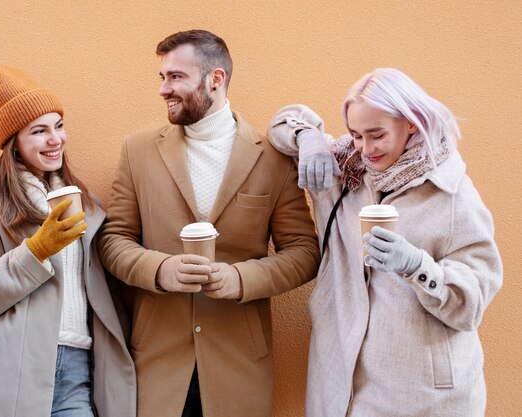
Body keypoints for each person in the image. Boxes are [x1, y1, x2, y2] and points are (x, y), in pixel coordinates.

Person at [99, 30, 319, 417]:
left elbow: (304, 251)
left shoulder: (273, 158)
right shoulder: (137, 151)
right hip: (157, 362)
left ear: (215, 79)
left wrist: (241, 279)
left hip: (239, 363)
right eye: (162, 77)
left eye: (176, 77)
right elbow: (113, 240)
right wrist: (159, 269)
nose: (164, 89)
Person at [268, 68, 503, 417]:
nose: (365, 149)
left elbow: (472, 304)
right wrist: (309, 139)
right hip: (343, 381)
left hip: (421, 391)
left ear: (410, 123)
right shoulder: (344, 171)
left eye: (376, 135)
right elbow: (283, 121)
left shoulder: (452, 194)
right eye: (355, 134)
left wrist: (416, 265)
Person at [0, 65, 136, 417]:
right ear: (14, 144)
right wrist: (35, 251)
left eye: (59, 126)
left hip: (80, 370)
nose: (56, 140)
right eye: (39, 131)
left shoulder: (87, 206)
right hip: (12, 374)